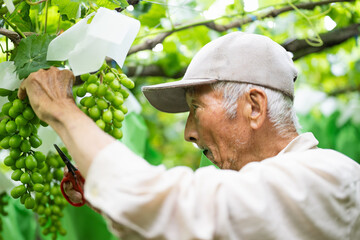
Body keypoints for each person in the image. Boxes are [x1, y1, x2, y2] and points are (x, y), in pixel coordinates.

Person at [18, 32, 360, 240]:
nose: (188, 133)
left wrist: (61, 109)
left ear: (254, 107)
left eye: (195, 108)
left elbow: (166, 206)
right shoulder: (280, 190)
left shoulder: (327, 180)